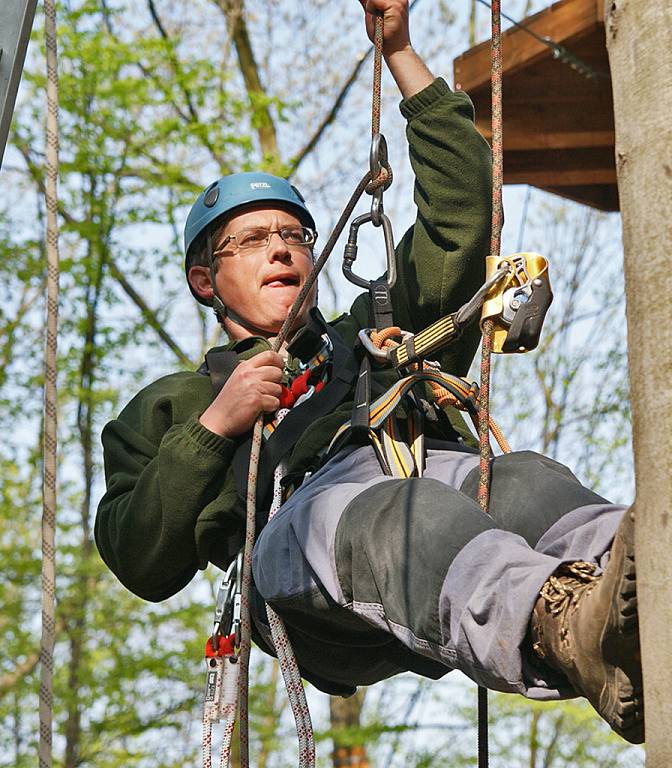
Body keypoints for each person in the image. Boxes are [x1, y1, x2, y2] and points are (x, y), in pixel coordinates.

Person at [96, 0, 643, 745]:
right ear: (204, 279)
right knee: (402, 514)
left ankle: (636, 579)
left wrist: (401, 56)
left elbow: (459, 223)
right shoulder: (172, 407)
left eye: (293, 234)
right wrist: (214, 426)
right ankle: (561, 622)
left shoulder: (373, 336)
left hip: (428, 503)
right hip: (308, 566)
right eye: (252, 240)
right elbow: (138, 555)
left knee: (526, 481)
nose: (282, 249)